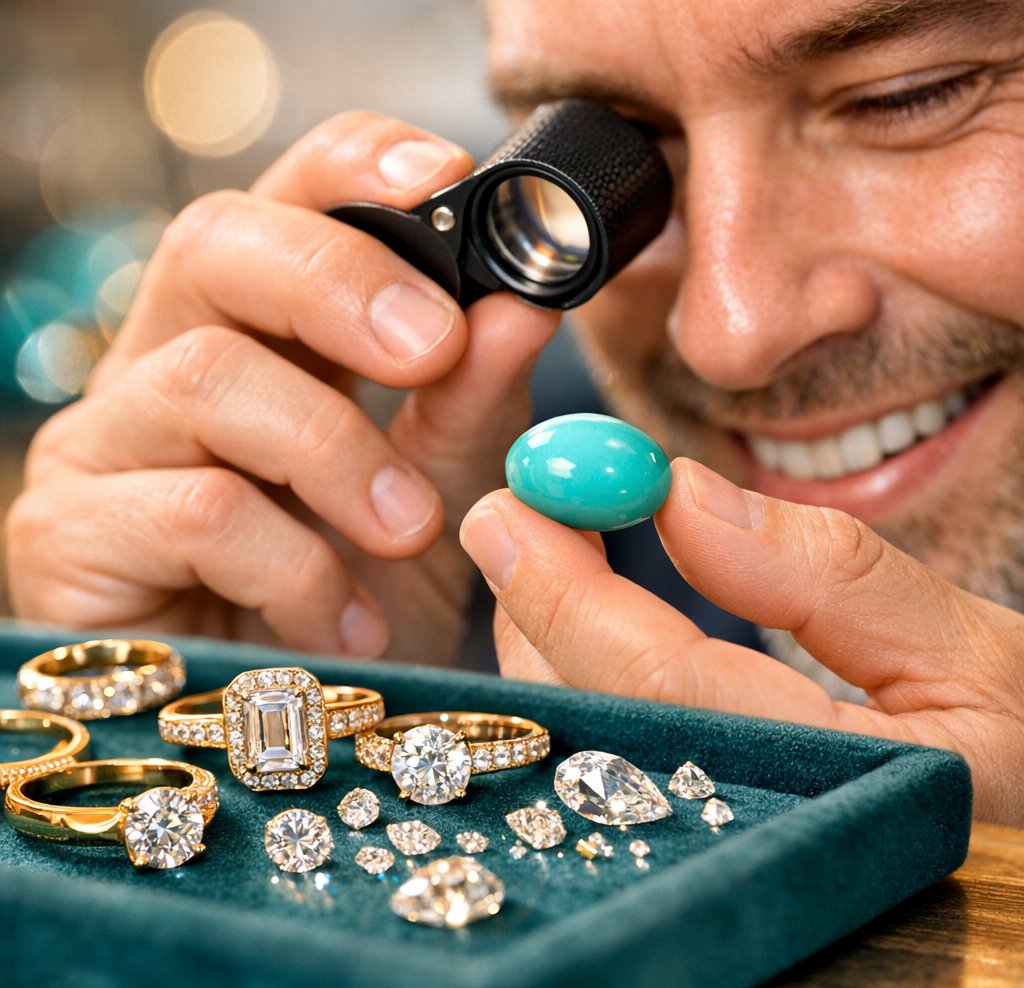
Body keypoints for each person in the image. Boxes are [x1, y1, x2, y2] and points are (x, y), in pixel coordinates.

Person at [6, 0, 1024, 826]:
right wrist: (206, 736)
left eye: (907, 98)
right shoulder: (530, 537)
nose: (726, 331)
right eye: (626, 147)